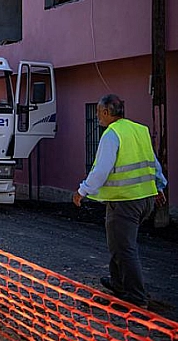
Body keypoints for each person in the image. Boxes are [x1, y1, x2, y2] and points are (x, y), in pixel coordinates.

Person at [72, 94, 167, 309]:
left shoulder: (111, 135)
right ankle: (118, 283)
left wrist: (82, 191)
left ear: (107, 112)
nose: (97, 117)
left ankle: (136, 297)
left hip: (125, 201)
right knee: (118, 243)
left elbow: (101, 171)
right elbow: (153, 162)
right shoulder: (139, 130)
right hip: (145, 200)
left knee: (125, 248)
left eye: (98, 113)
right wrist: (159, 186)